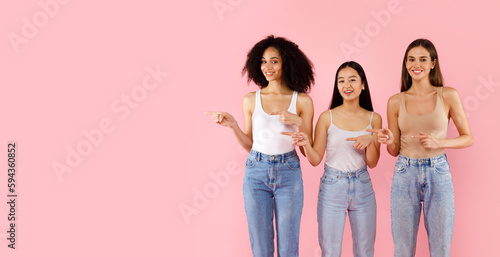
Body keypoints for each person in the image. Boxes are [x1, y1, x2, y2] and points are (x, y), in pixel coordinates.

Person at [205, 35, 315, 257]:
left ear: (287, 63)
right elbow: (251, 144)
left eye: (274, 61)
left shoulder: (302, 101)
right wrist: (233, 125)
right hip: (256, 171)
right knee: (260, 247)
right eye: (263, 61)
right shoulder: (250, 100)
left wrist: (300, 124)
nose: (268, 67)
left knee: (289, 247)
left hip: (289, 171)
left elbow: (308, 151)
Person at [370, 39, 473, 257]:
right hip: (404, 171)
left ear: (433, 63)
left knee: (441, 246)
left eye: (423, 59)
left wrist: (440, 143)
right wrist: (389, 141)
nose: (416, 64)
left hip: (438, 170)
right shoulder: (395, 102)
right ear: (405, 64)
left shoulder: (448, 95)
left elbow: (467, 138)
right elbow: (394, 150)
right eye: (411, 59)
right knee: (403, 248)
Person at [283, 61, 381, 257]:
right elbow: (315, 159)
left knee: (365, 251)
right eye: (341, 81)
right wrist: (304, 143)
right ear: (337, 86)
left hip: (363, 187)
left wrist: (370, 140)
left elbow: (372, 162)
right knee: (330, 251)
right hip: (332, 186)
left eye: (353, 80)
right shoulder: (327, 118)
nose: (347, 85)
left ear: (363, 85)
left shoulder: (374, 118)